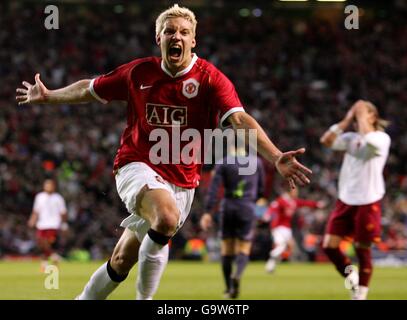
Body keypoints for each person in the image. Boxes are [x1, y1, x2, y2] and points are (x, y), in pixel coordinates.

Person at [16, 4, 312, 300]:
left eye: (184, 32)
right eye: (170, 31)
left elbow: (238, 119)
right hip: (136, 165)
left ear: (194, 40)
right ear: (158, 37)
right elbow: (90, 88)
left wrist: (274, 156)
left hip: (182, 182)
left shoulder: (210, 79)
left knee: (121, 260)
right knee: (167, 218)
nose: (177, 37)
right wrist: (49, 96)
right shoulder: (138, 72)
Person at [320, 100, 391, 300]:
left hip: (368, 199)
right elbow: (326, 140)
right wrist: (347, 118)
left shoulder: (381, 138)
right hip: (345, 199)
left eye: (364, 112)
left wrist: (360, 116)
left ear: (373, 117)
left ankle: (361, 294)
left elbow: (369, 141)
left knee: (363, 249)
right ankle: (350, 273)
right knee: (329, 246)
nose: (359, 114)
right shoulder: (350, 137)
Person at [200, 145, 266, 299]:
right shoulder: (257, 162)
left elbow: (213, 190)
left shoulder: (224, 162)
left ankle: (228, 288)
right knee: (244, 247)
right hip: (247, 206)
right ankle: (237, 275)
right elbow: (262, 190)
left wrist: (208, 212)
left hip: (228, 206)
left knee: (227, 249)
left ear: (231, 146)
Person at [263, 186, 324, 273]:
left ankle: (271, 264)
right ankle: (273, 258)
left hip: (287, 228)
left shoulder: (294, 201)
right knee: (283, 245)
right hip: (279, 227)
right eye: (295, 191)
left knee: (284, 247)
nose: (296, 193)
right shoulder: (282, 200)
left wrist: (317, 204)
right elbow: (273, 207)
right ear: (290, 192)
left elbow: (305, 203)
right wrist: (267, 215)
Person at [28, 179, 68, 271]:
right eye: (47, 185)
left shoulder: (58, 198)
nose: (48, 187)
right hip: (41, 224)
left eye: (50, 185)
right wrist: (32, 220)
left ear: (54, 187)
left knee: (47, 243)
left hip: (53, 224)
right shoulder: (39, 197)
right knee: (41, 243)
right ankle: (54, 256)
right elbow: (36, 211)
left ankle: (45, 263)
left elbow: (63, 212)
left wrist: (64, 224)